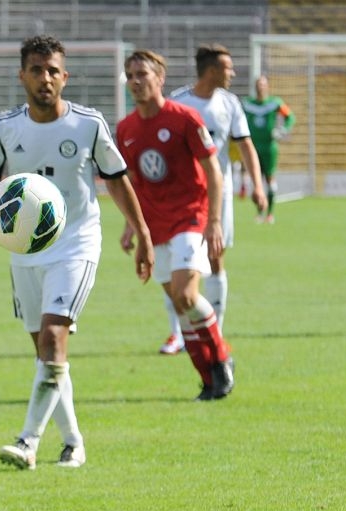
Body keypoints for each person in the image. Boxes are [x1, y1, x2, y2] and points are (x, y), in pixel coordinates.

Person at [0, 35, 154, 471]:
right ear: (22, 75)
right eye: (37, 69)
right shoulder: (6, 127)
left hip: (76, 243)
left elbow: (116, 179)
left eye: (53, 70)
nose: (46, 78)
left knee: (55, 337)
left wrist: (142, 233)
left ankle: (27, 441)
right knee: (47, 353)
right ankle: (74, 442)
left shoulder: (88, 123)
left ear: (65, 77)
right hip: (24, 251)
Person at [116, 49, 235, 402]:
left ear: (160, 78)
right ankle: (207, 378)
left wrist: (213, 221)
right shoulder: (125, 129)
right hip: (155, 226)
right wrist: (131, 227)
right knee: (178, 303)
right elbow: (133, 182)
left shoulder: (184, 118)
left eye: (143, 74)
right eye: (131, 76)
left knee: (185, 294)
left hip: (190, 217)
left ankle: (222, 357)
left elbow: (213, 171)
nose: (136, 82)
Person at [157, 43, 267, 354]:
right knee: (175, 264)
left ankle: (214, 328)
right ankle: (178, 333)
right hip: (183, 197)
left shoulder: (230, 103)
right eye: (228, 68)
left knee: (216, 258)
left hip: (219, 195)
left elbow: (245, 146)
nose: (233, 73)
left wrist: (257, 185)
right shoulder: (178, 102)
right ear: (212, 70)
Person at [242, 74, 295, 224]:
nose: (261, 87)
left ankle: (270, 213)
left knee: (270, 179)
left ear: (268, 87)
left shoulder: (275, 103)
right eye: (258, 84)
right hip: (252, 147)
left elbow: (290, 117)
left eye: (263, 84)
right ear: (255, 87)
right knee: (256, 181)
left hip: (269, 147)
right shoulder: (247, 104)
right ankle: (259, 212)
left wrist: (282, 130)